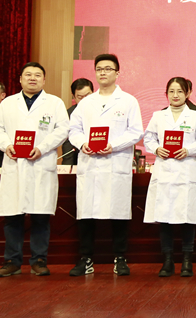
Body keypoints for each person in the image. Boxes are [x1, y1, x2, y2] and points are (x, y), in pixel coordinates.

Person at [0, 63, 69, 277]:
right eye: (28, 75)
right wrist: (6, 145)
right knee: (12, 215)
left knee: (40, 215)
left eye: (37, 75)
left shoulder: (54, 103)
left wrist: (42, 147)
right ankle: (11, 261)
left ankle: (39, 260)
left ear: (44, 80)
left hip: (41, 163)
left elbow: (63, 130)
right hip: (14, 164)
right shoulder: (8, 103)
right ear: (20, 79)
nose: (32, 78)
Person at [68, 54, 143, 276]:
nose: (103, 72)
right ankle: (86, 259)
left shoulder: (128, 101)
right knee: (86, 214)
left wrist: (114, 145)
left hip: (115, 164)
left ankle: (120, 258)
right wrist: (82, 144)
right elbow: (73, 129)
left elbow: (135, 131)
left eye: (108, 69)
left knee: (118, 212)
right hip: (90, 164)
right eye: (99, 69)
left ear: (117, 72)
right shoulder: (86, 103)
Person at [143, 77, 196, 277]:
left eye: (180, 91)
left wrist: (188, 150)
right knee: (164, 217)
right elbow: (148, 138)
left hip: (186, 170)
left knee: (187, 217)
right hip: (164, 170)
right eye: (171, 91)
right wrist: (157, 148)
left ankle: (187, 261)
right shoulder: (158, 116)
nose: (175, 95)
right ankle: (168, 261)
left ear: (187, 93)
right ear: (166, 94)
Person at [61, 78, 94, 166]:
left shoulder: (102, 111)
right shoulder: (69, 114)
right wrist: (68, 165)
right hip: (77, 158)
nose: (84, 100)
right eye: (80, 97)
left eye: (87, 96)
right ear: (73, 97)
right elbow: (67, 144)